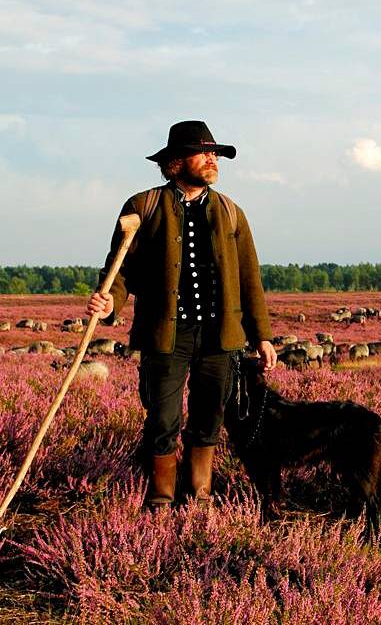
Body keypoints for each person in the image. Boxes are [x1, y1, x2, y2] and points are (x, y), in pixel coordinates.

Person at [87, 120, 277, 508]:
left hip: (219, 337)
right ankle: (159, 501)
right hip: (165, 337)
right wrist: (110, 304)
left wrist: (262, 335)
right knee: (162, 420)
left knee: (208, 420)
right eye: (203, 153)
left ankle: (198, 498)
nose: (212, 159)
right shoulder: (144, 206)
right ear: (175, 161)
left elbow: (248, 278)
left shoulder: (231, 213)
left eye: (215, 154)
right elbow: (120, 270)